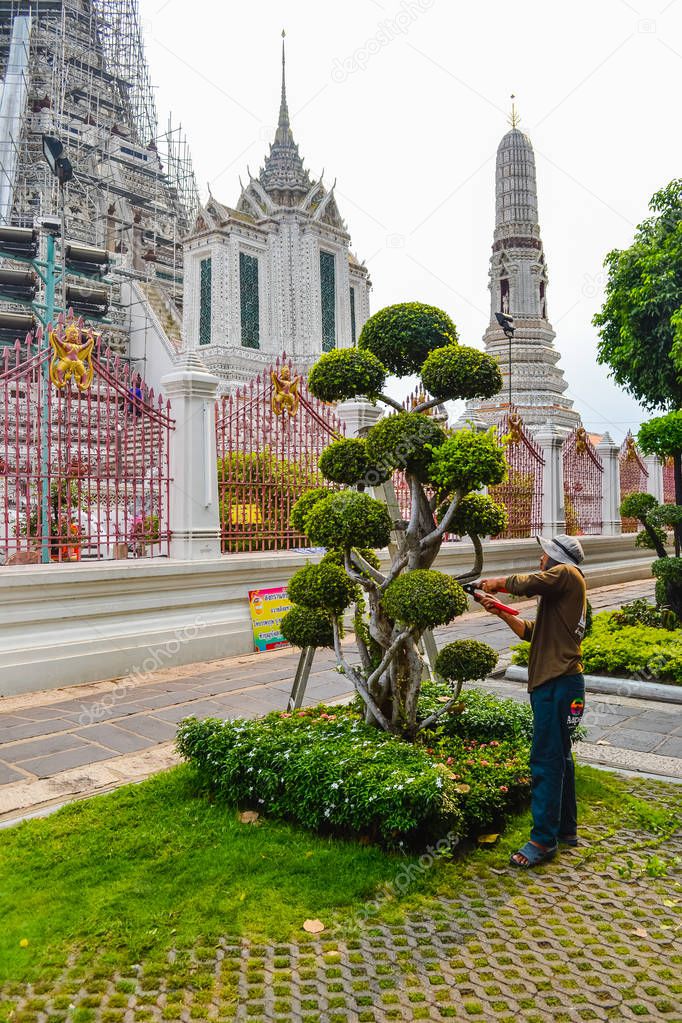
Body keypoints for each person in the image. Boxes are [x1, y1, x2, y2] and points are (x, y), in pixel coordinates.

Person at [477, 534, 587, 868]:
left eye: (543, 555)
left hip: (557, 686)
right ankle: (566, 830)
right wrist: (498, 610)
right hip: (563, 686)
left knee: (544, 760)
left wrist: (495, 583)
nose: (540, 560)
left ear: (556, 558)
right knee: (561, 758)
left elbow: (529, 583)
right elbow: (530, 631)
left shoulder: (567, 574)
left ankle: (542, 840)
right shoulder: (562, 596)